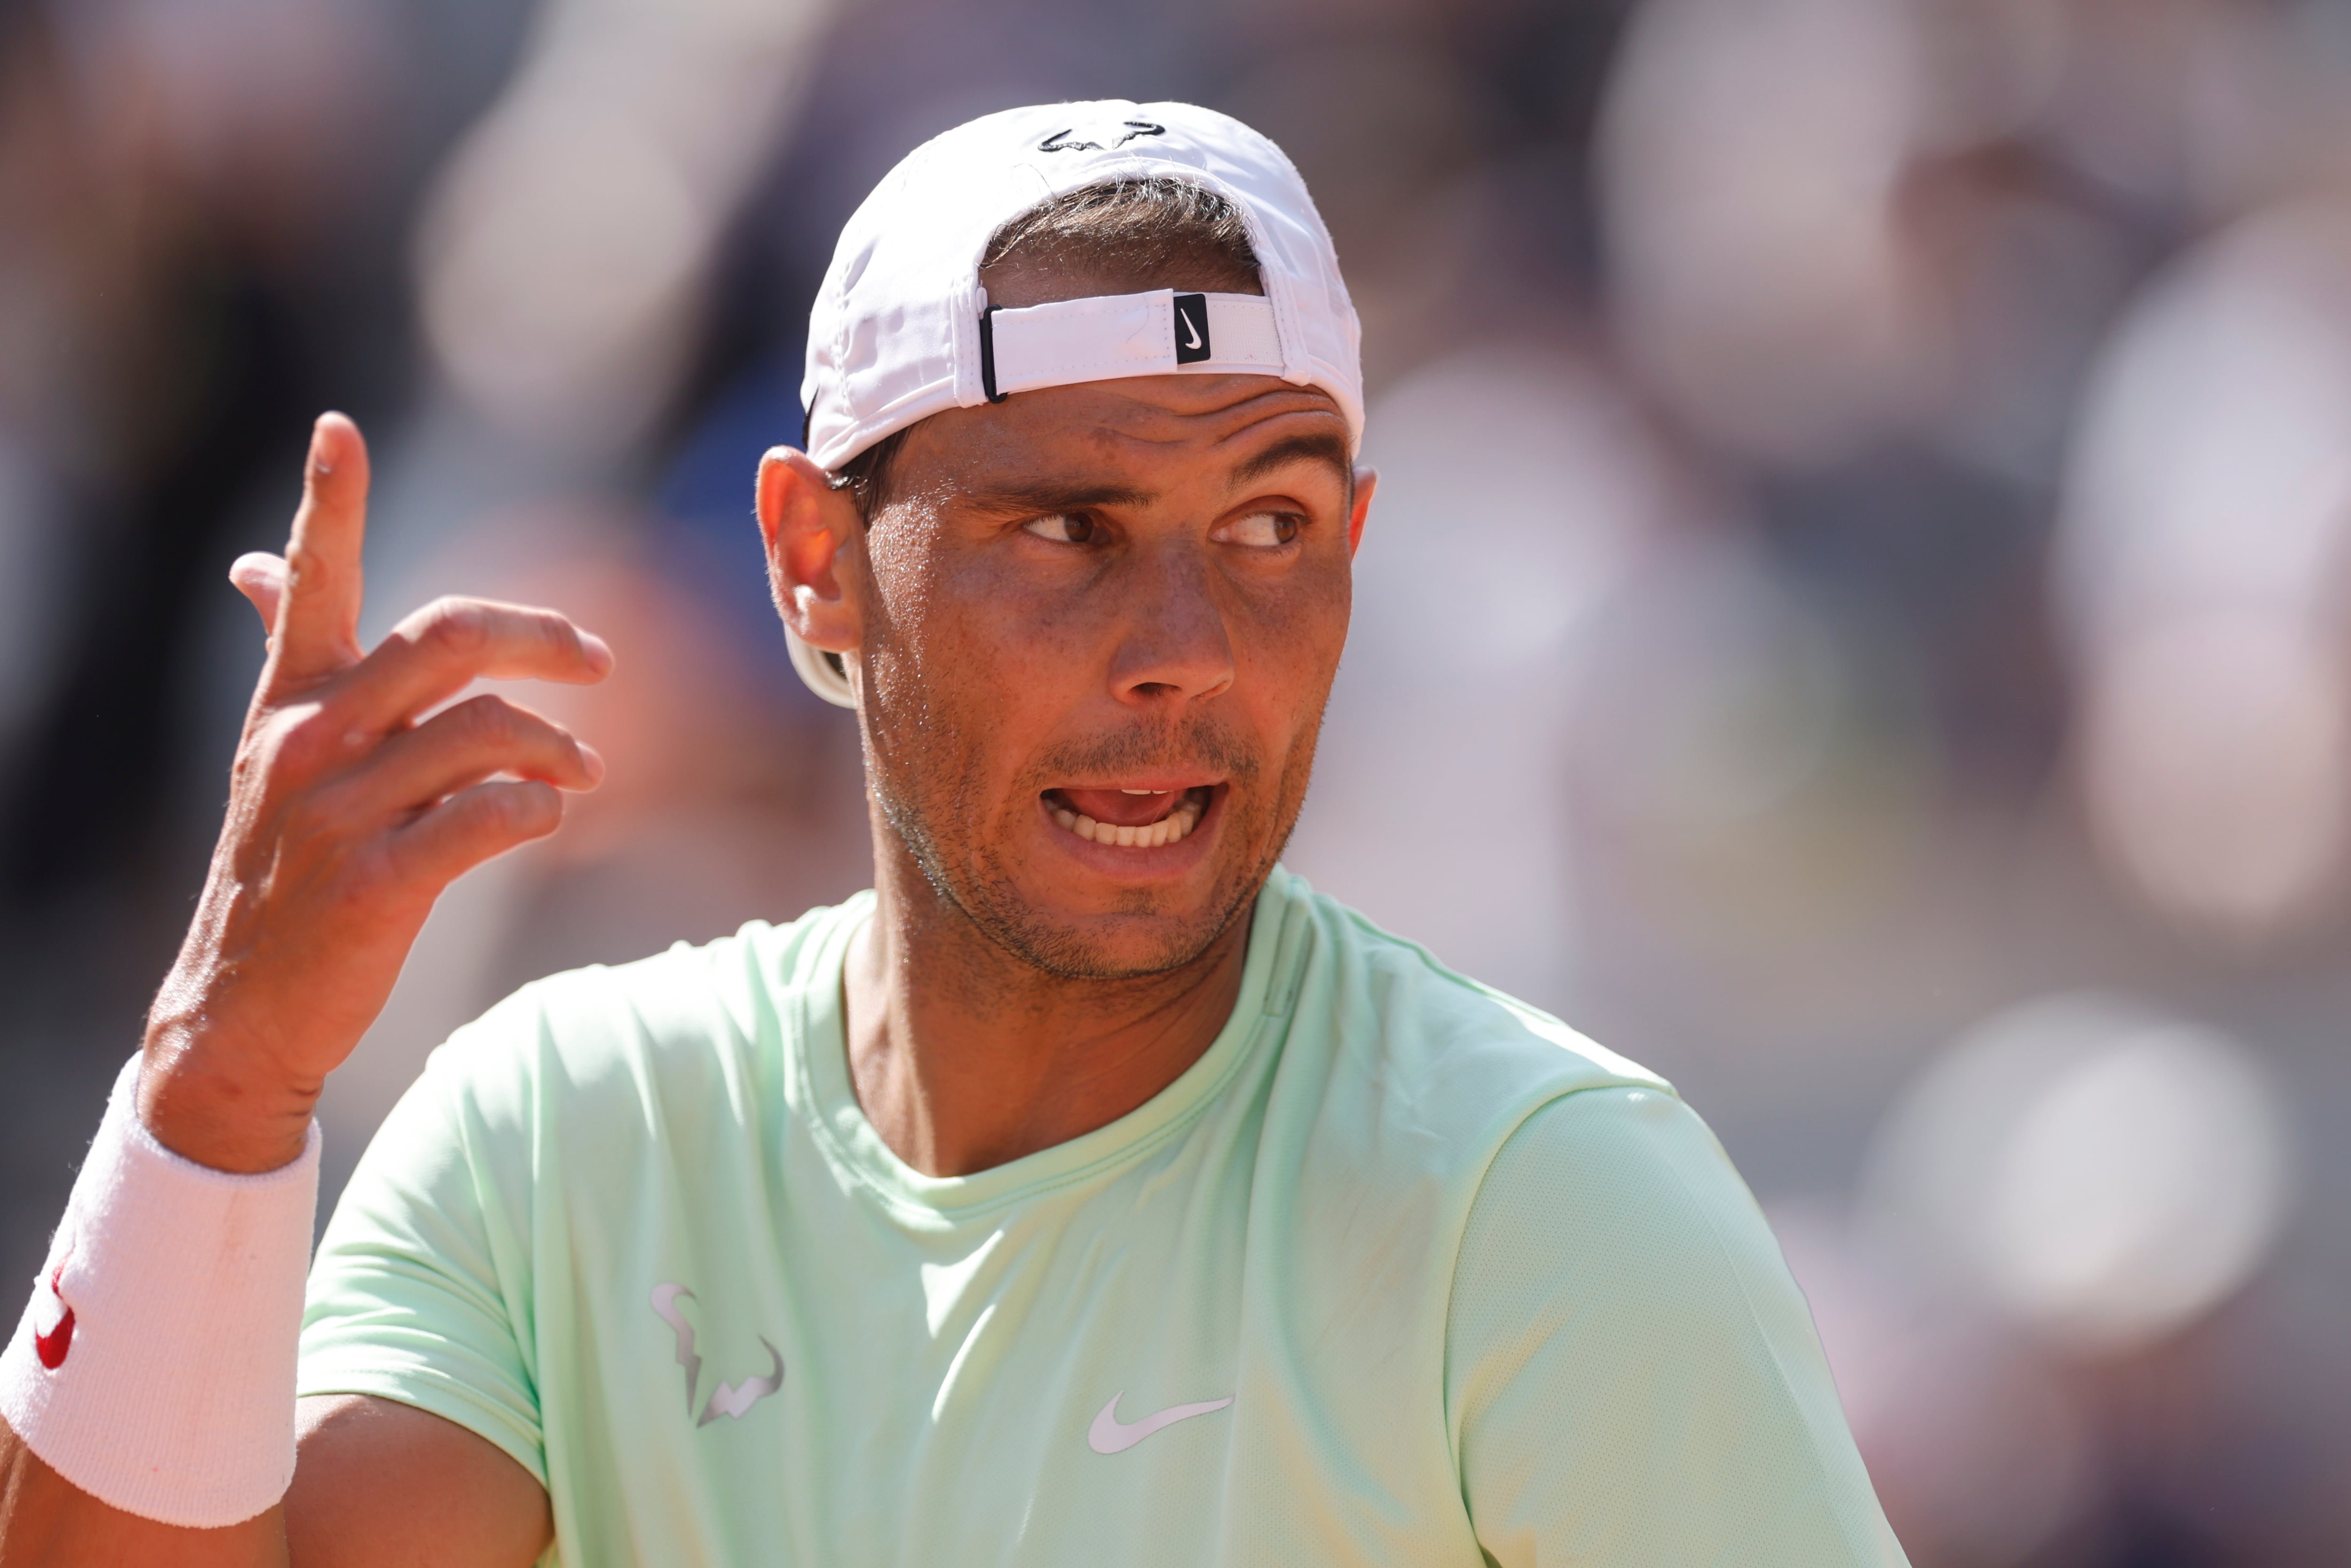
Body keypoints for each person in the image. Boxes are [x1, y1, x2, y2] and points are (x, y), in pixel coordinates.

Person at [0, 102, 1907, 1566]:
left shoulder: (1551, 1205)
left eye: (1267, 527)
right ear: (813, 564)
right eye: (1061, 532)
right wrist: (217, 1081)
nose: (1182, 656)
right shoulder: (555, 1138)